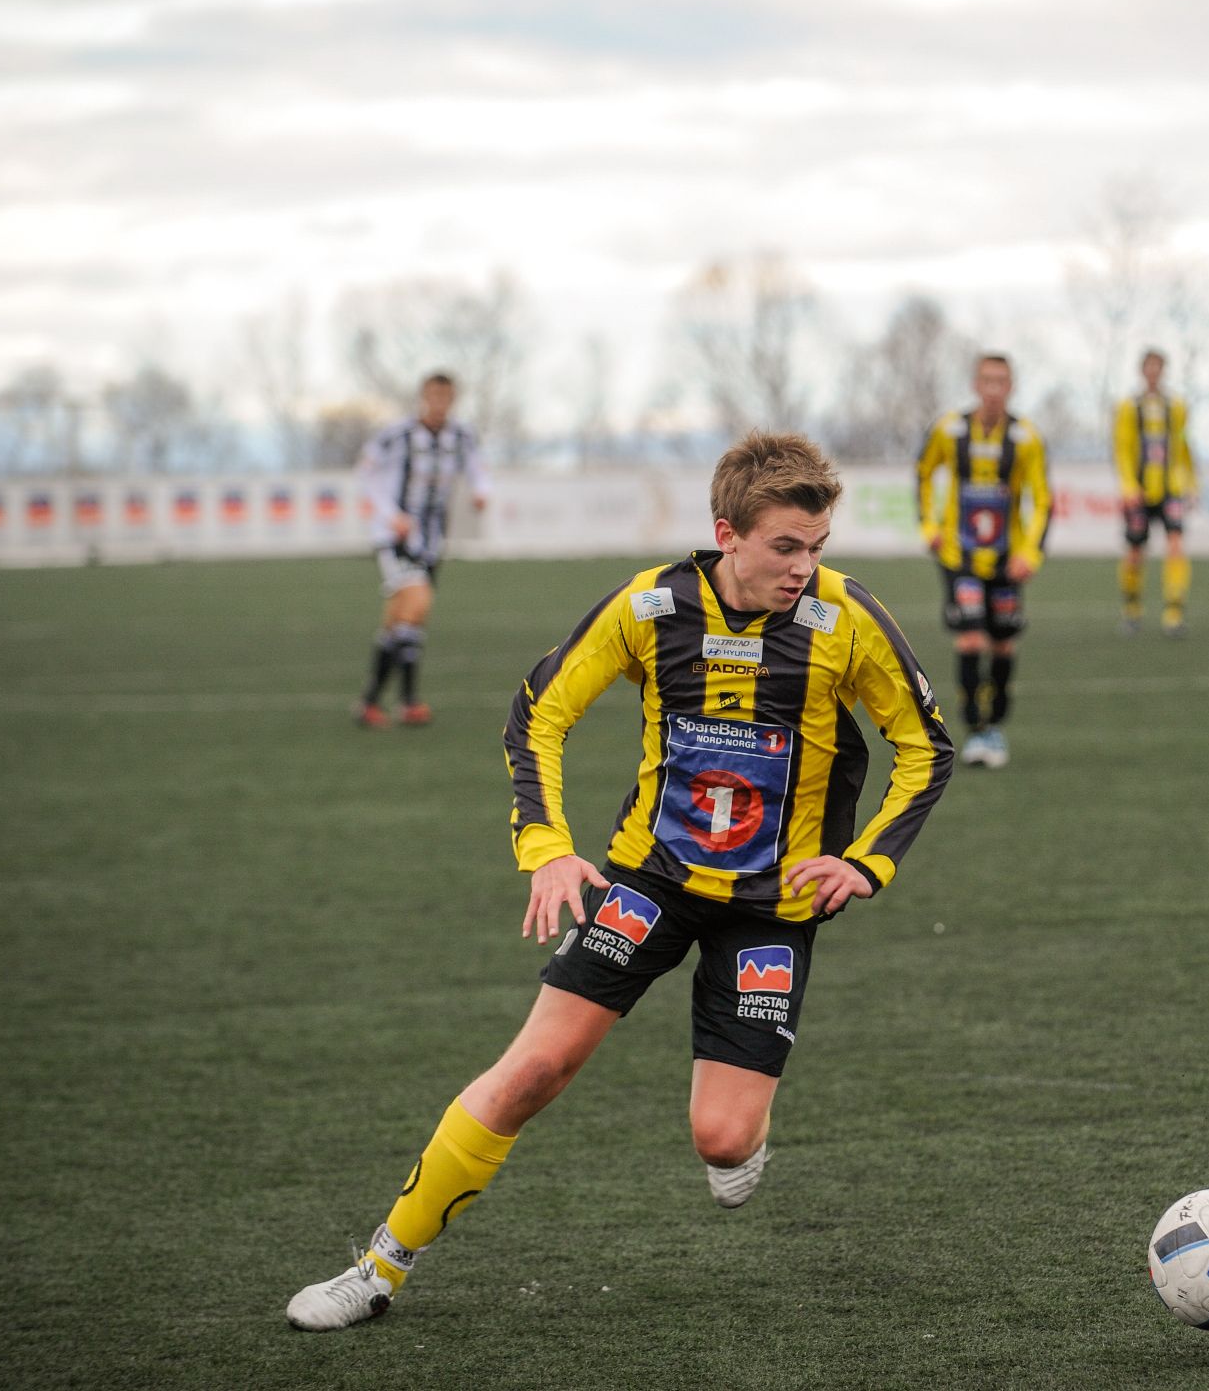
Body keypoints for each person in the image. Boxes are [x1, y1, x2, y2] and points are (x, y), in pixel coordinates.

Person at [288, 432, 953, 1330]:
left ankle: (743, 1134)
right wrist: (547, 848)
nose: (804, 567)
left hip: (771, 907)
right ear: (728, 534)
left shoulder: (848, 619)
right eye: (785, 547)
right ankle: (377, 1267)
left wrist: (866, 860)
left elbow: (926, 747)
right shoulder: (651, 606)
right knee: (532, 1069)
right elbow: (540, 711)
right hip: (650, 882)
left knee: (723, 1138)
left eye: (817, 546)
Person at [916, 353, 1052, 768]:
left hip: (1008, 560)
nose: (993, 389)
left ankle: (996, 721)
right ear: (975, 385)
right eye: (987, 381)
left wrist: (1030, 552)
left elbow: (1042, 498)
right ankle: (977, 729)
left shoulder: (1026, 437)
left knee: (1004, 643)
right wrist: (930, 526)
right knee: (971, 639)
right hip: (960, 558)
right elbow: (923, 473)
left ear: (1011, 387)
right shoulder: (949, 429)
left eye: (1001, 382)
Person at [354, 372, 489, 728]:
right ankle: (409, 701)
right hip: (396, 536)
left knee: (401, 619)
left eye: (446, 396)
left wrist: (481, 491)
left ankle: (369, 703)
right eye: (434, 395)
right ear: (423, 397)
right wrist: (391, 515)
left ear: (453, 399)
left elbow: (477, 468)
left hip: (432, 539)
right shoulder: (397, 434)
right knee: (417, 604)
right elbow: (365, 473)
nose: (439, 403)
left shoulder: (461, 435)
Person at [1113, 349, 1197, 636]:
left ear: (1163, 371)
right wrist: (1128, 485)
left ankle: (1174, 613)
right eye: (1148, 367)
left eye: (1157, 367)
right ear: (1142, 370)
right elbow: (1122, 449)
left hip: (1170, 488)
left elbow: (1184, 446)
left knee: (1176, 545)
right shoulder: (1128, 407)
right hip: (1139, 489)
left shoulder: (1177, 406)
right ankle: (1132, 610)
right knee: (1135, 551)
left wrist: (1191, 484)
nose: (1153, 372)